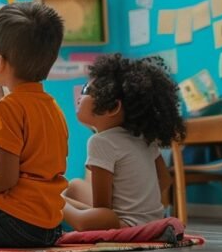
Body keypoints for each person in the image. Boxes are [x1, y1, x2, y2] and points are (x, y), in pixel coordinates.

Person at [0, 2, 68, 247]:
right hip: (49, 225)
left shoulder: (7, 106)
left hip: (12, 221)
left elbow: (6, 178)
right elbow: (27, 172)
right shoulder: (53, 107)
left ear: (0, 62)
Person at [63, 55, 182, 230]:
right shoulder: (144, 138)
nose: (81, 95)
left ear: (112, 107)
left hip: (122, 224)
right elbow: (164, 180)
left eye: (87, 90)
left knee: (61, 201)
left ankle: (51, 204)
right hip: (154, 220)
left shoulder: (100, 142)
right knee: (74, 185)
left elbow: (102, 208)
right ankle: (56, 202)